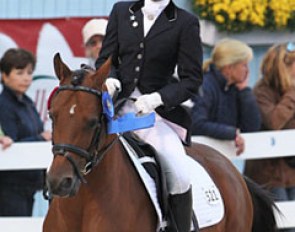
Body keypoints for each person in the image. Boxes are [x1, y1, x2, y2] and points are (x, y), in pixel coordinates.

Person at [96, 0, 203, 231]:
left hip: (154, 115)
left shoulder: (185, 22)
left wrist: (158, 98)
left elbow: (191, 80)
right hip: (115, 109)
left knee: (180, 173)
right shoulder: (121, 11)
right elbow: (106, 59)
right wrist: (109, 78)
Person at [244, 42, 295, 232]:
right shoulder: (261, 92)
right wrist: (292, 95)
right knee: (280, 226)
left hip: (290, 171)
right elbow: (274, 122)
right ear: (284, 67)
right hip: (269, 174)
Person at [0, 48, 52, 216]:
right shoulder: (4, 105)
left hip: (29, 183)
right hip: (10, 185)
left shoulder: (27, 102)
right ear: (4, 75)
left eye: (29, 72)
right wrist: (41, 138)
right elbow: (11, 144)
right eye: (19, 72)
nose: (26, 78)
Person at [191, 38, 261, 155]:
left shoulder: (233, 88)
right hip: (199, 157)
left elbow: (252, 127)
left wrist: (244, 91)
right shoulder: (205, 86)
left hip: (219, 158)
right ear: (229, 67)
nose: (247, 70)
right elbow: (197, 123)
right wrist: (231, 133)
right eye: (244, 65)